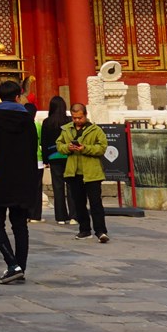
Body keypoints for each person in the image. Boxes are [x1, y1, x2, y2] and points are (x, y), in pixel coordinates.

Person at [0, 81, 38, 283]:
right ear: (17, 96)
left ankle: (12, 263)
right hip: (22, 179)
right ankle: (21, 266)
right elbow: (32, 149)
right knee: (20, 225)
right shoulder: (27, 119)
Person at [55, 104, 109, 243]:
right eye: (74, 118)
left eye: (80, 117)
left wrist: (85, 148)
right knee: (79, 203)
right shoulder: (67, 129)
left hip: (92, 172)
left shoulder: (95, 130)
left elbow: (102, 148)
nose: (77, 120)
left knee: (96, 203)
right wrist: (68, 147)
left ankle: (101, 230)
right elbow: (59, 145)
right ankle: (84, 229)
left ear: (85, 115)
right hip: (74, 171)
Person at [40, 95, 73, 225]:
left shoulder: (47, 122)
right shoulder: (70, 121)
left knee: (58, 187)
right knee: (71, 186)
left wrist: (45, 159)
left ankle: (60, 217)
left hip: (54, 157)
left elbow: (44, 141)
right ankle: (73, 216)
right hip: (69, 156)